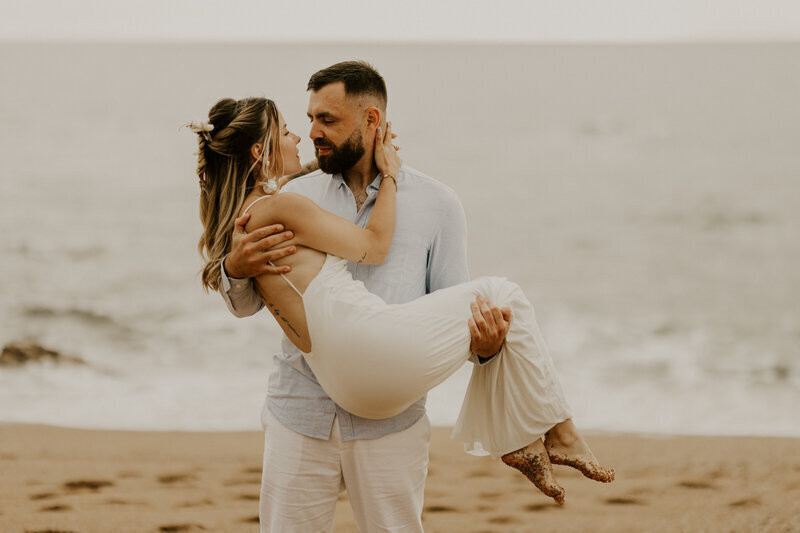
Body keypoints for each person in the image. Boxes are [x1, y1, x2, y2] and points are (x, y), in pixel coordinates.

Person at [195, 62, 612, 531]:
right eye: (307, 119)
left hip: (388, 421)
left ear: (372, 120)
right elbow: (247, 303)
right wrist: (234, 268)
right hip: (301, 411)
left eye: (326, 120)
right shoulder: (296, 193)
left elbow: (454, 312)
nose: (311, 131)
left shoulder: (438, 203)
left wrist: (489, 348)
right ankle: (543, 432)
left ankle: (530, 435)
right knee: (506, 291)